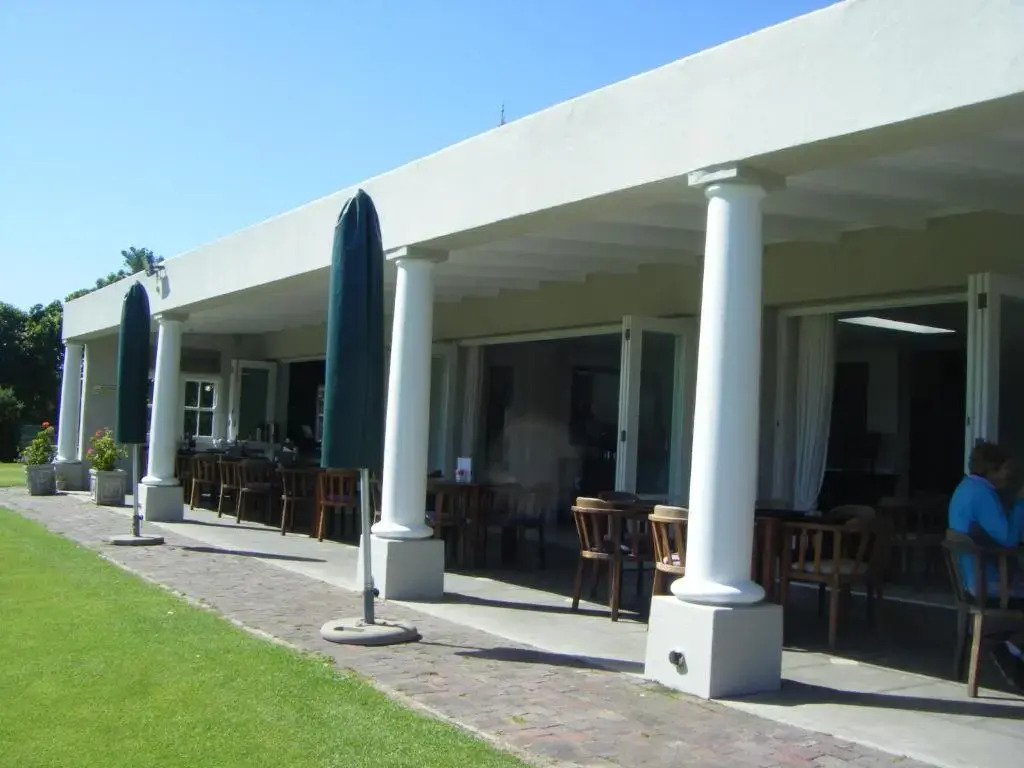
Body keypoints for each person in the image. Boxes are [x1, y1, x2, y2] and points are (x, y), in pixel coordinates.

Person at [948, 441, 1024, 691]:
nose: (1009, 476)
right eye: (1005, 469)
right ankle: (1011, 647)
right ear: (992, 469)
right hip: (986, 584)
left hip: (971, 580)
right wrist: (1020, 503)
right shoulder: (982, 494)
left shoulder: (965, 488)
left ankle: (1008, 645)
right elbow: (1009, 539)